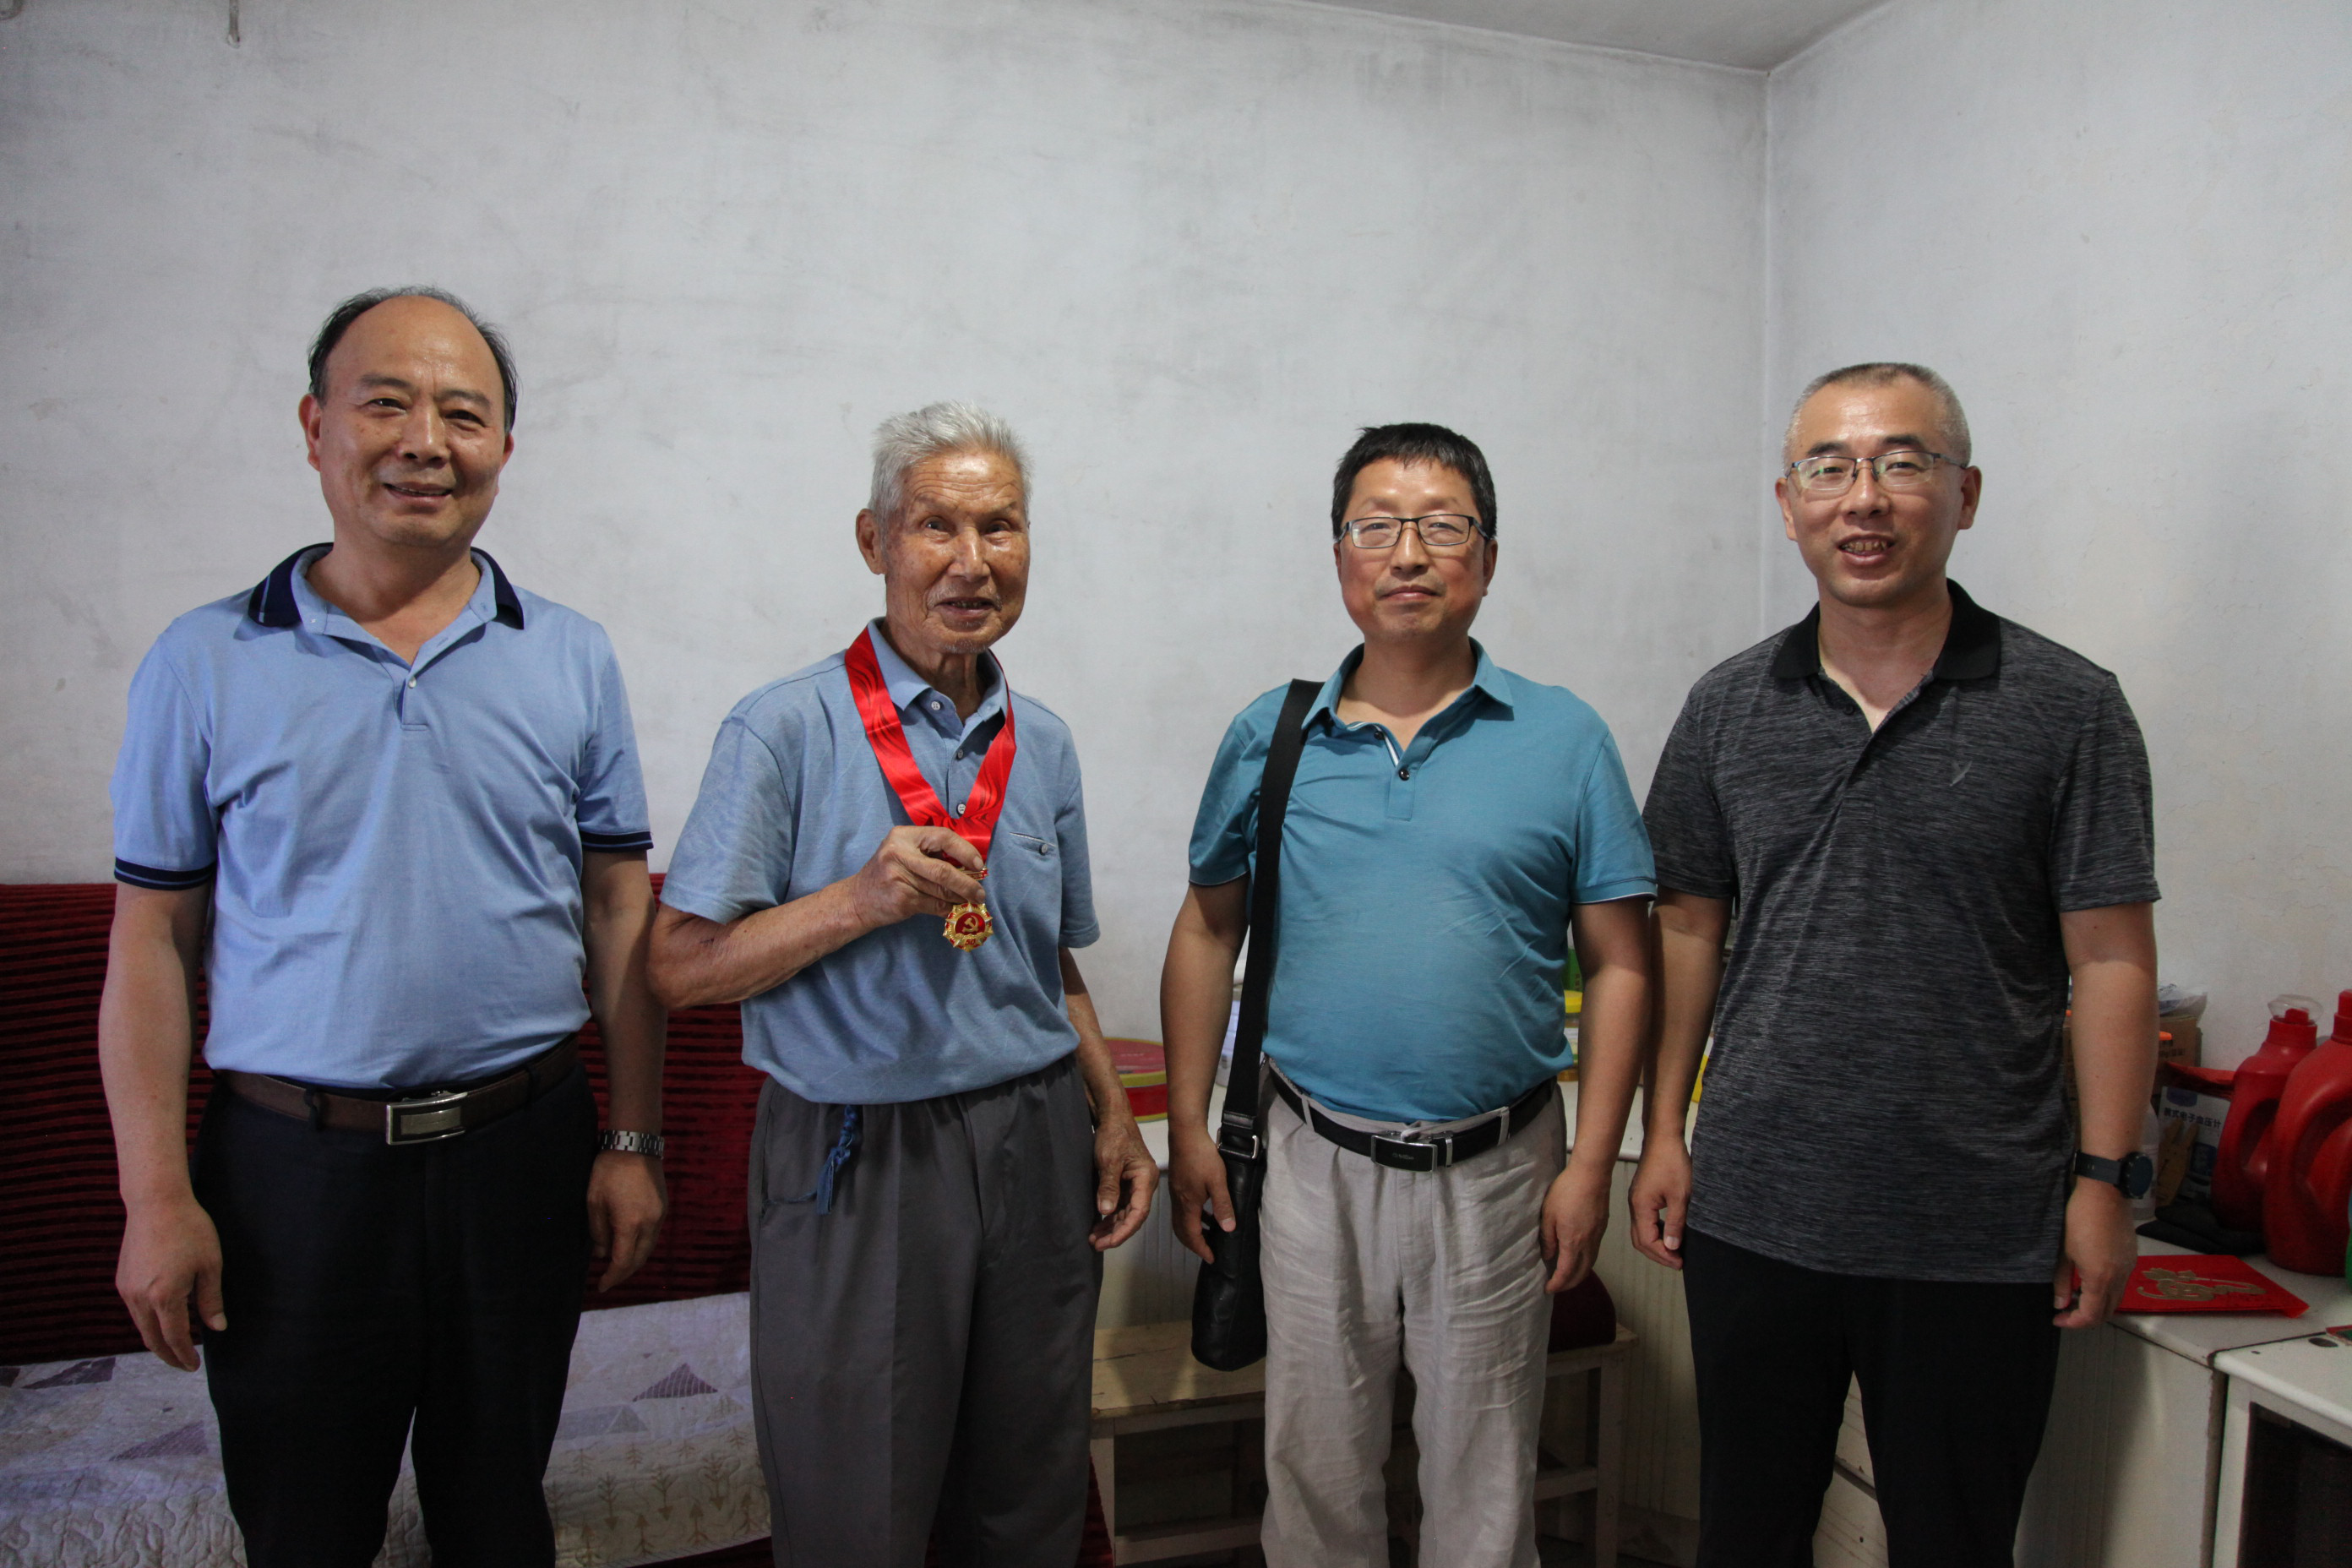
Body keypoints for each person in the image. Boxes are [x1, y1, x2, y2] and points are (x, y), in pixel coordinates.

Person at [101, 287, 669, 1568]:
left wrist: (633, 1138)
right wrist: (155, 1195)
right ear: (316, 429)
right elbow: (151, 943)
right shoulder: (203, 661)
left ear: (504, 447)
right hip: (292, 1178)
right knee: (305, 1531)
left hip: (522, 1159)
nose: (426, 442)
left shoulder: (571, 655)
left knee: (499, 1515)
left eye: (463, 414)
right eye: (387, 404)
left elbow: (617, 908)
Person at [1633, 362, 2160, 1566]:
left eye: (1902, 463)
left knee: (1954, 1542)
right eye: (1830, 468)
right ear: (1788, 505)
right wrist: (1664, 1132)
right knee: (1747, 1535)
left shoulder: (2069, 707)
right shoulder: (1727, 706)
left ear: (1965, 494)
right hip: (1757, 1209)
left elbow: (2111, 958)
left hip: (1978, 1225)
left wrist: (2103, 1181)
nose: (1863, 497)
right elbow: (1688, 929)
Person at [648, 401, 1157, 1568]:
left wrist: (1111, 1114)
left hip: (1035, 1141)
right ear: (874, 541)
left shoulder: (1045, 742)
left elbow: (1050, 960)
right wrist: (857, 900)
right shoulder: (782, 729)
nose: (972, 561)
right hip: (859, 1151)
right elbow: (676, 967)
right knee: (858, 1505)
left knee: (1028, 1493)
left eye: (1000, 527)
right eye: (937, 526)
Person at [1161, 423, 1656, 1568]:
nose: (1409, 553)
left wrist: (1593, 1164)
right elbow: (1207, 929)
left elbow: (1624, 962)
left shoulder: (1565, 737)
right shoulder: (1274, 734)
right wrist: (1186, 1125)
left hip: (1499, 1171)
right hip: (1309, 1162)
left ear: (1489, 558)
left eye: (1443, 526)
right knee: (1315, 1472)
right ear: (1339, 555)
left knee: (1484, 1485)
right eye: (1376, 526)